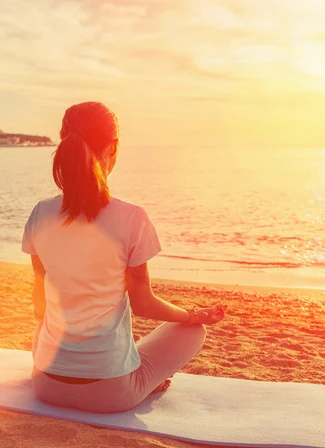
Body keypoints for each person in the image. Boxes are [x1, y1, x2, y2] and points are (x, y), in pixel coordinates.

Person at [22, 102, 226, 413]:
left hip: (46, 385)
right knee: (193, 332)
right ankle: (145, 380)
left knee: (47, 322)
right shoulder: (132, 218)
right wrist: (192, 315)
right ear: (113, 148)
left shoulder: (41, 213)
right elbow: (143, 304)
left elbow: (40, 302)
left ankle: (137, 373)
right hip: (111, 395)